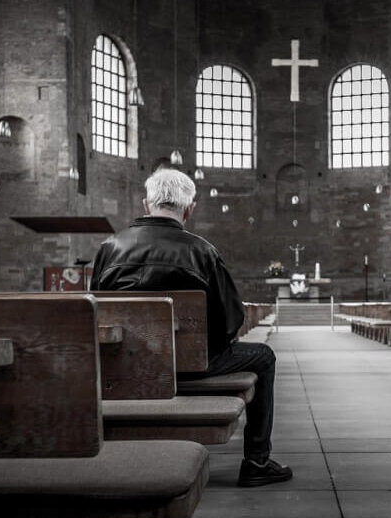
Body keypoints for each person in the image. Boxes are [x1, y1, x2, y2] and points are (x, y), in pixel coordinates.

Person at [89, 168, 292, 487]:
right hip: (195, 367)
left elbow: (97, 314)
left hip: (127, 368)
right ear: (190, 209)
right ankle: (256, 461)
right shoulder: (202, 250)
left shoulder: (108, 248)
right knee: (263, 356)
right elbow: (232, 321)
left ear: (145, 204)